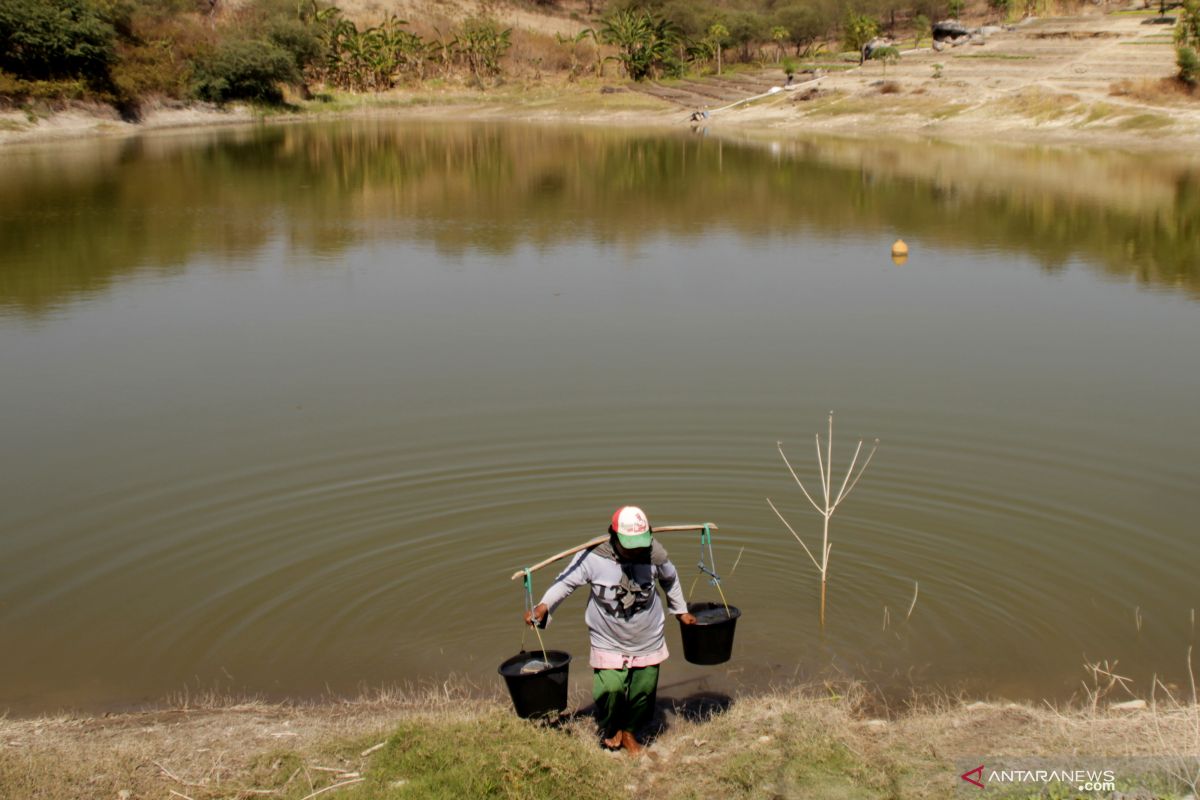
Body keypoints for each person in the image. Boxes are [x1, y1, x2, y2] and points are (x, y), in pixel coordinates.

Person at [524, 506, 696, 754]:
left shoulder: (654, 556)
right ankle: (612, 725)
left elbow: (670, 579)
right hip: (607, 636)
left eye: (640, 545)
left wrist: (681, 612)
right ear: (614, 538)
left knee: (643, 691)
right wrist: (544, 606)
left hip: (647, 634)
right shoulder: (593, 557)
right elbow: (566, 581)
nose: (636, 551)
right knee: (610, 688)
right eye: (630, 546)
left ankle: (628, 731)